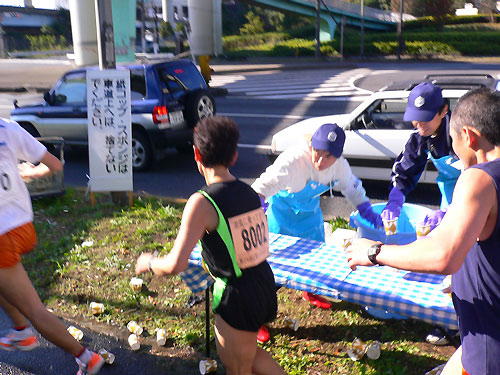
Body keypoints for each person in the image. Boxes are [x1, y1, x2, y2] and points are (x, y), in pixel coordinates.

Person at [346, 87, 500, 375]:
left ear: (468, 136)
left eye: (455, 140)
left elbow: (444, 255)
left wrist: (374, 251)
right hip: (480, 336)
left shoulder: (478, 177)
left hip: (490, 347)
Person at [135, 116, 285, 375]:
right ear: (234, 156)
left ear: (196, 154)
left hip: (236, 295)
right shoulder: (250, 193)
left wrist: (148, 262)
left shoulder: (202, 202)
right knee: (249, 354)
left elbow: (175, 264)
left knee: (238, 367)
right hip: (263, 283)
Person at [251, 123, 381, 337]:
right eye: (317, 153)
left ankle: (309, 291)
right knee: (274, 271)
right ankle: (256, 317)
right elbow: (264, 185)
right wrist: (255, 202)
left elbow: (352, 187)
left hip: (310, 217)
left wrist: (367, 210)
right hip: (282, 217)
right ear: (310, 145)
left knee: (316, 257)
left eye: (328, 157)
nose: (320, 161)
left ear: (338, 156)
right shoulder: (293, 160)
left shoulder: (340, 166)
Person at [0, 118, 104, 375]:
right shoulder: (7, 127)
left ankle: (86, 357)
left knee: (34, 308)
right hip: (23, 226)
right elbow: (55, 165)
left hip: (2, 237)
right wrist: (30, 172)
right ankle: (21, 330)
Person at [381, 81, 461, 343]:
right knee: (450, 260)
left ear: (444, 111)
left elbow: (480, 176)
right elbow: (403, 172)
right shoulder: (421, 138)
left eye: (425, 119)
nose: (419, 125)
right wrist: (394, 201)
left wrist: (451, 214)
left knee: (466, 258)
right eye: (414, 120)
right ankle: (451, 317)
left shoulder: (461, 135)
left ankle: (461, 324)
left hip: (477, 197)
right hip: (450, 196)